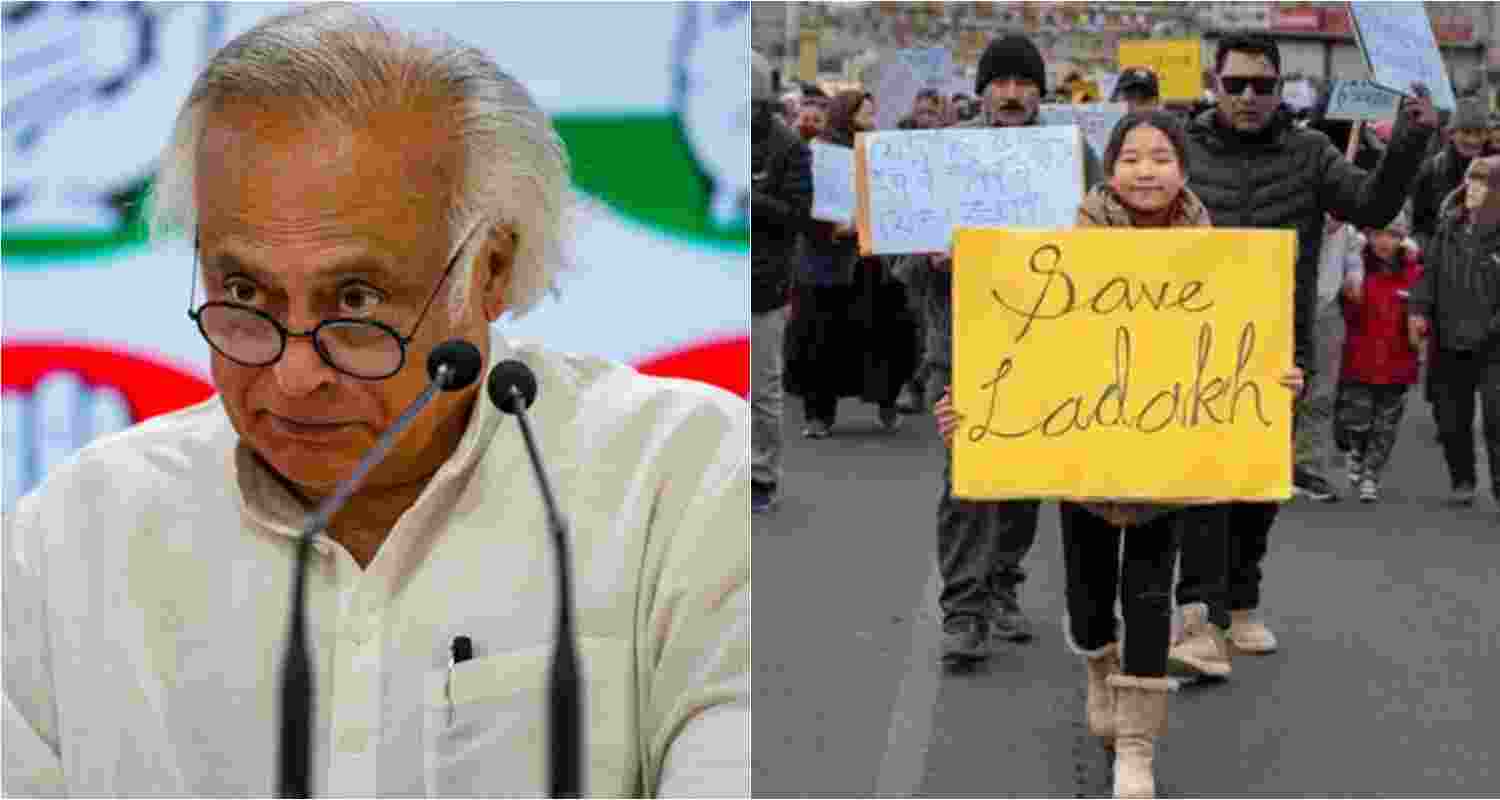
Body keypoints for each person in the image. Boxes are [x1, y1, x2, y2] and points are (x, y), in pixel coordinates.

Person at [2, 7, 750, 796]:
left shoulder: (681, 489)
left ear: (490, 270)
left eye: (355, 302)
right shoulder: (72, 539)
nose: (293, 375)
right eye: (244, 293)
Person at [935, 110, 1302, 798]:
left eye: (1160, 157)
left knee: (1149, 597)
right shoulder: (1061, 248)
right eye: (1131, 157)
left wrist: (1278, 379)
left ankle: (1137, 745)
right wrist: (972, 409)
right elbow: (1018, 347)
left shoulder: (1222, 257)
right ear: (1110, 170)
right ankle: (1099, 672)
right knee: (1087, 605)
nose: (1146, 170)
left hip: (1170, 470)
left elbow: (1244, 350)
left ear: (1183, 170)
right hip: (1085, 472)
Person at [1170, 32, 1436, 668]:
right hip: (1189, 344)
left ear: (1280, 87)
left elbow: (1372, 205)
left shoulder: (1311, 151)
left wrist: (1408, 140)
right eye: (1237, 84)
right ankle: (1198, 613)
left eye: (1264, 85)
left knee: (1260, 485)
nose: (1250, 97)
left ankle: (1243, 602)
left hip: (1277, 345)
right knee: (1204, 482)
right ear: (1215, 85)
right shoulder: (1179, 149)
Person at [893, 33, 1103, 667]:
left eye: (1023, 83)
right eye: (1000, 83)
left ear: (1041, 91)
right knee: (967, 483)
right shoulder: (944, 156)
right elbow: (900, 261)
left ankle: (1004, 584)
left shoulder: (1074, 156)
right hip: (959, 348)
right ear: (982, 90)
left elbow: (1105, 244)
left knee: (1020, 483)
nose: (1011, 95)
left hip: (1042, 348)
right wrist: (931, 258)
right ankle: (964, 611)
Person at [783, 91, 918, 439]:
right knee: (821, 340)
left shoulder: (877, 152)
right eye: (866, 113)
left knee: (884, 334)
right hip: (826, 265)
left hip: (872, 262)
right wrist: (836, 225)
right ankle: (819, 415)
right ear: (847, 114)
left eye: (873, 114)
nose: (872, 121)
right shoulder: (818, 155)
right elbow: (803, 205)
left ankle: (886, 402)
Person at [1408, 155, 1500, 509]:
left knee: (1496, 417)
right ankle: (1462, 479)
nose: (1474, 189)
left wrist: (1490, 327)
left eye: (1484, 182)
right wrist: (1418, 309)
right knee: (1449, 416)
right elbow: (1429, 273)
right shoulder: (1450, 223)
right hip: (1449, 336)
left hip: (1493, 343)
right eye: (1472, 180)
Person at [752, 51, 812, 514]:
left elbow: (798, 216)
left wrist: (750, 197)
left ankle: (762, 473)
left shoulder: (789, 147)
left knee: (763, 389)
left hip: (764, 286)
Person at [1335, 211, 1424, 503]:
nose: (1385, 241)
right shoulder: (1355, 267)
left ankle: (1371, 475)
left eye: (1393, 235)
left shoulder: (1413, 273)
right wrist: (1350, 298)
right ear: (1369, 236)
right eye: (1378, 234)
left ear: (1402, 239)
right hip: (1359, 362)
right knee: (1357, 422)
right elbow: (1343, 314)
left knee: (1385, 427)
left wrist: (1422, 329)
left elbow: (1424, 311)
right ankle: (1356, 454)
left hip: (1398, 364)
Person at [1409, 97, 1491, 253]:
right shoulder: (1431, 170)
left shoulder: (1495, 170)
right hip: (1443, 260)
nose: (1473, 140)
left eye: (1479, 132)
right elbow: (1419, 226)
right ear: (1451, 134)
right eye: (1466, 131)